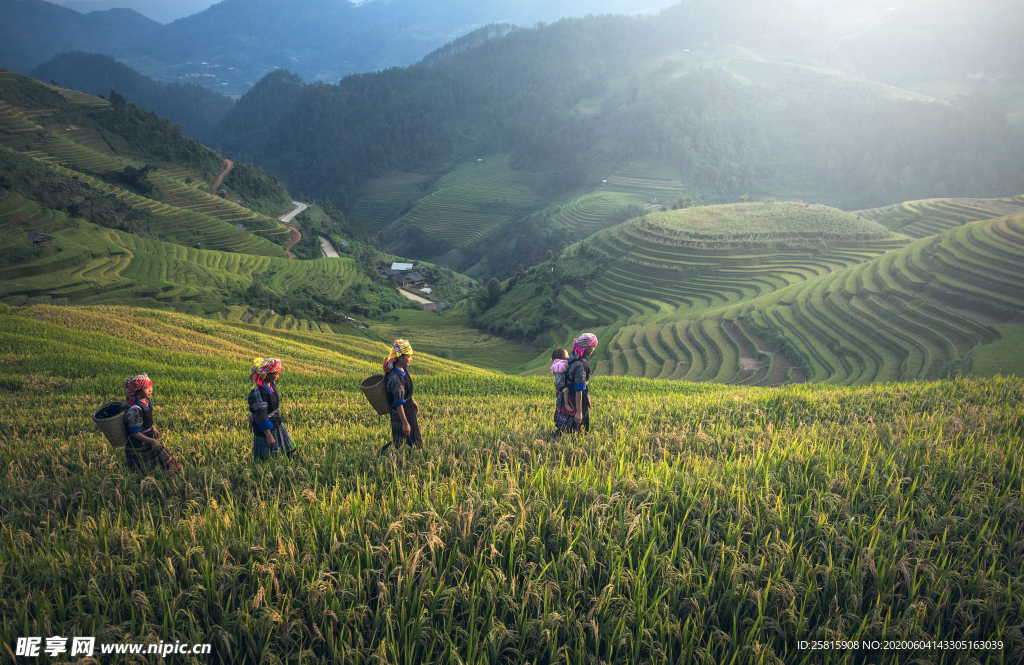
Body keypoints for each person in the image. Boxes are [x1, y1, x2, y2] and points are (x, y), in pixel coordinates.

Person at [123, 374, 182, 473]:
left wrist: (152, 427)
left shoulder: (147, 401)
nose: (150, 390)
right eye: (146, 388)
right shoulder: (135, 409)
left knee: (157, 453)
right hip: (138, 442)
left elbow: (147, 420)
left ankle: (170, 466)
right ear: (138, 391)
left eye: (151, 387)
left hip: (147, 437)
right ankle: (171, 466)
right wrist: (151, 440)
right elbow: (134, 432)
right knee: (154, 453)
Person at [248, 358, 296, 461]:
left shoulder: (271, 385)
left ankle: (290, 465)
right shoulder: (258, 393)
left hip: (275, 422)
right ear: (267, 374)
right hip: (265, 428)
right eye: (276, 373)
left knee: (291, 449)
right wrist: (268, 435)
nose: (278, 376)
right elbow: (261, 416)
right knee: (265, 457)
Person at [380, 339, 421, 454]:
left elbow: (406, 390)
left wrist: (412, 401)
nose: (411, 359)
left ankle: (411, 458)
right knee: (401, 440)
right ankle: (395, 460)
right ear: (401, 357)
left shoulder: (403, 369)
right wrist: (405, 423)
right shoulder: (395, 378)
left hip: (408, 409)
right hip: (400, 414)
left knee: (413, 439)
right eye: (409, 356)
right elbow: (398, 402)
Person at [560, 333, 599, 434]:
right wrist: (579, 412)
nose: (594, 349)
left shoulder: (572, 357)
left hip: (568, 397)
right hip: (576, 399)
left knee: (566, 426)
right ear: (588, 349)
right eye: (593, 347)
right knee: (578, 429)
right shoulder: (580, 365)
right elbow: (579, 388)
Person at [550, 348, 575, 434]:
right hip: (563, 387)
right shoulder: (564, 364)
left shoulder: (557, 365)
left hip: (560, 387)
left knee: (561, 407)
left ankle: (562, 427)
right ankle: (567, 405)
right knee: (566, 392)